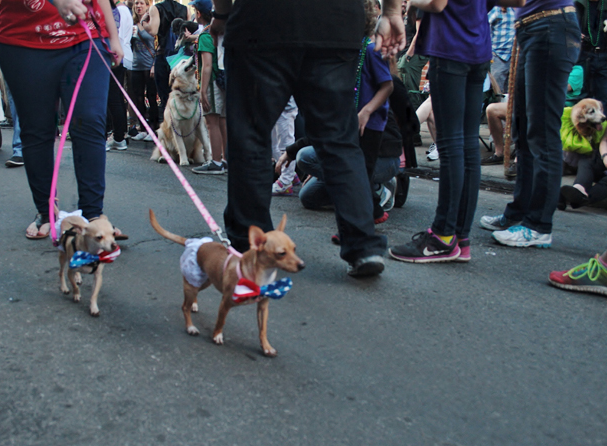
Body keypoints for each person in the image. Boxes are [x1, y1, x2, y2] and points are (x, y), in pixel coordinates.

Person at [212, 0, 405, 277]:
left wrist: (223, 13)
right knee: (339, 140)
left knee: (251, 137)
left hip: (262, 19)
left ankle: (250, 242)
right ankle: (362, 245)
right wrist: (391, 12)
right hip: (335, 22)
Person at [0, 0, 124, 240]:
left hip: (85, 37)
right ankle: (47, 211)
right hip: (24, 43)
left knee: (90, 122)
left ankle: (93, 216)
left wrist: (113, 36)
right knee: (36, 129)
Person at [389, 0, 520, 264]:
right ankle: (460, 238)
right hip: (477, 48)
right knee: (468, 145)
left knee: (451, 146)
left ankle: (442, 236)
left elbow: (436, 4)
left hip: (450, 46)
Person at [480, 1, 581, 248]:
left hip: (549, 26)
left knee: (542, 132)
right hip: (534, 28)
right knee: (523, 129)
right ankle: (519, 213)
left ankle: (538, 226)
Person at [191, 0, 228, 175]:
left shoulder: (206, 35)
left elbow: (206, 65)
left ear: (199, 13)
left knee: (212, 121)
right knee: (222, 120)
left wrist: (203, 90)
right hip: (224, 79)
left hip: (212, 81)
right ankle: (225, 159)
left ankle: (216, 161)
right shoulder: (221, 31)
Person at [140, 0, 189, 119]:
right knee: (181, 96)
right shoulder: (184, 9)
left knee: (164, 97)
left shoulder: (156, 8)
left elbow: (153, 31)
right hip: (180, 57)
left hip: (163, 56)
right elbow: (189, 31)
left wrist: (143, 22)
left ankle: (168, 129)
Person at [128, 0, 158, 142]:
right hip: (136, 65)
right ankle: (143, 128)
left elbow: (158, 45)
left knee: (152, 97)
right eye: (137, 3)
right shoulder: (133, 22)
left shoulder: (152, 22)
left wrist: (154, 64)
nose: (139, 6)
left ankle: (154, 128)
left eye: (142, 3)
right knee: (138, 97)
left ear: (148, 5)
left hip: (149, 65)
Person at [106, 0, 133, 152]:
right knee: (116, 98)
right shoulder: (124, 10)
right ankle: (119, 136)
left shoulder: (119, 11)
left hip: (115, 57)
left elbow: (117, 35)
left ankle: (118, 136)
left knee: (113, 98)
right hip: (121, 56)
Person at [575, 0, 607, 109]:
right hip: (582, 56)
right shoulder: (577, 3)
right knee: (580, 97)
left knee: (604, 99)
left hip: (603, 56)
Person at [488, 6, 516, 94]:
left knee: (511, 92)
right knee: (496, 91)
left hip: (514, 56)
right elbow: (486, 28)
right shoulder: (497, 9)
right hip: (498, 55)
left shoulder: (518, 10)